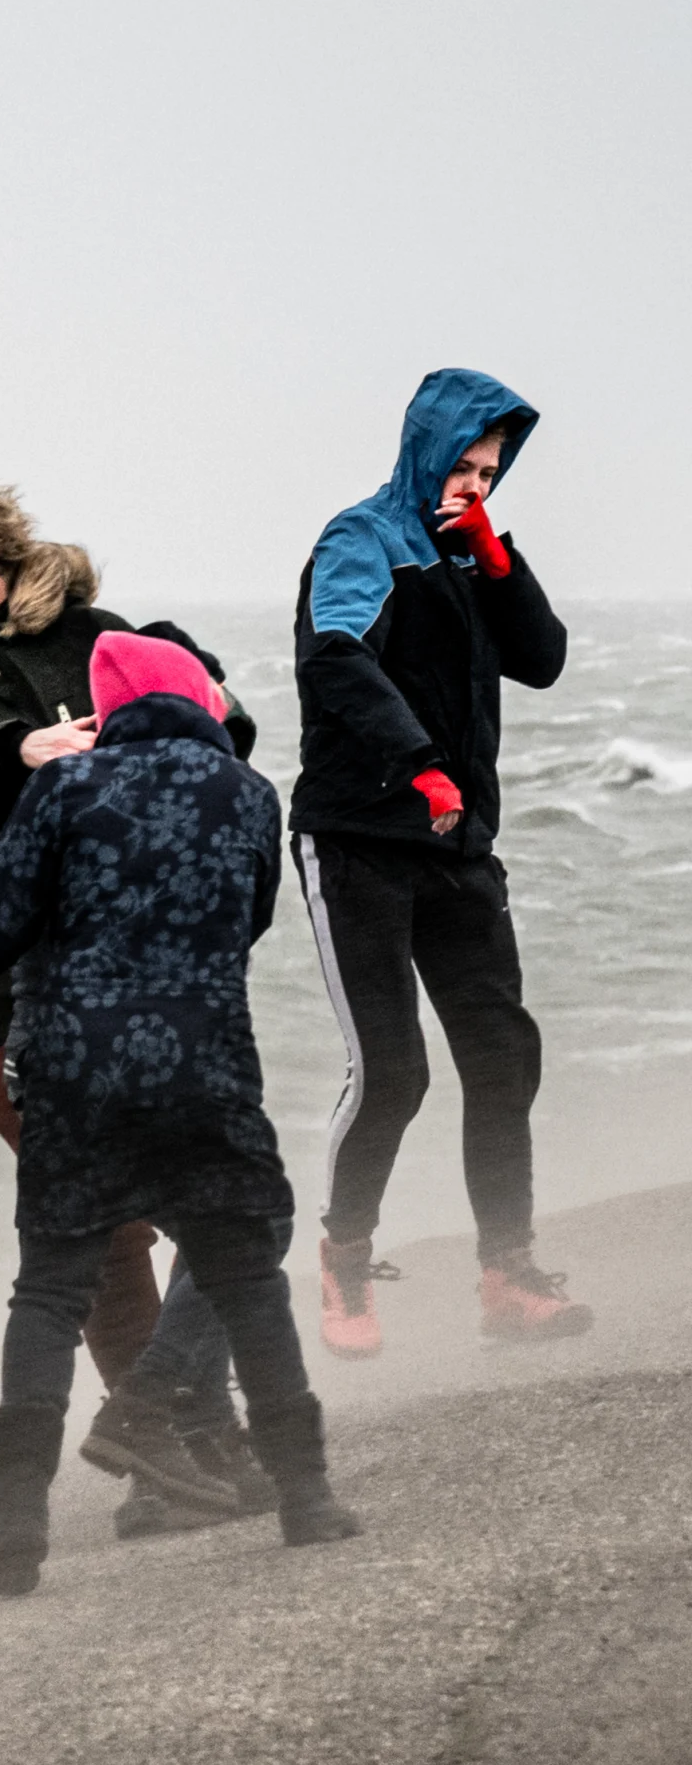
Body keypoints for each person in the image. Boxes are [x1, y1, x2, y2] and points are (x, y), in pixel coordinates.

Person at [0, 632, 359, 1592]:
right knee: (248, 1275)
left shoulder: (66, 789)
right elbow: (249, 918)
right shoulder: (251, 797)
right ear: (196, 702)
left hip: (74, 1076)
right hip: (204, 1073)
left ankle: (13, 1536)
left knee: (49, 1292)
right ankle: (308, 1501)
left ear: (111, 710)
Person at [0, 473, 267, 1535]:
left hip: (148, 971)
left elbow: (226, 730)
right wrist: (22, 746)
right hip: (7, 1002)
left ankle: (193, 1423)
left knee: (216, 1204)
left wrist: (163, 739)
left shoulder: (105, 638)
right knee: (102, 1229)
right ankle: (168, 1459)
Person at [290, 366, 586, 1356]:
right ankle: (344, 1259)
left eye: (491, 472)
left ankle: (507, 1272)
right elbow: (336, 658)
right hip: (360, 840)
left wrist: (497, 555)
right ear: (424, 449)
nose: (473, 486)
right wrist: (418, 763)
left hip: (458, 846)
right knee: (394, 1071)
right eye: (461, 466)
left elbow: (541, 657)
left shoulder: (472, 548)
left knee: (503, 1055)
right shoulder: (360, 541)